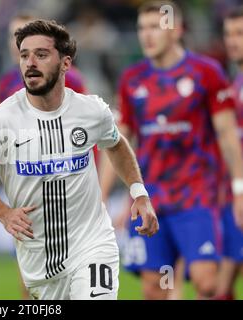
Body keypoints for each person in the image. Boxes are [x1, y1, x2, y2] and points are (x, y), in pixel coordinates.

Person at [0, 19, 159, 300]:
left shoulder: (91, 111)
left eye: (41, 55)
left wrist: (139, 192)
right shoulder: (0, 120)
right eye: (24, 55)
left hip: (93, 245)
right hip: (40, 262)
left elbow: (116, 144)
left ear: (65, 63)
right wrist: (4, 213)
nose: (30, 62)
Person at [101, 1, 243, 299]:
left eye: (155, 27)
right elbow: (118, 142)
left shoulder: (206, 73)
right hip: (150, 199)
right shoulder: (133, 79)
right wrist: (102, 195)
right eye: (142, 28)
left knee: (208, 283)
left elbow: (227, 136)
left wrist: (239, 188)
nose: (147, 35)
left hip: (197, 196)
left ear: (176, 30)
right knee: (155, 288)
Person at [0, 14, 89, 299]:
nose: (16, 41)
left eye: (20, 33)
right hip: (28, 194)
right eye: (12, 35)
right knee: (31, 287)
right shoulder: (7, 82)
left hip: (68, 190)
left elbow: (88, 132)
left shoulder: (71, 79)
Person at [215, 5, 243, 300]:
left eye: (240, 34)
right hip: (232, 200)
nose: (233, 41)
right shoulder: (233, 85)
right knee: (218, 289)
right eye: (229, 34)